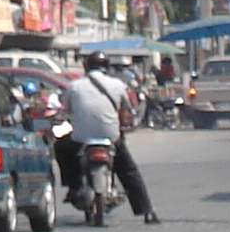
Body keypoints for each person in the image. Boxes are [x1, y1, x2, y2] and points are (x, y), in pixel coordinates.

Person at [53, 65, 159, 221]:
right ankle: (147, 211)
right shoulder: (117, 84)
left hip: (81, 138)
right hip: (110, 137)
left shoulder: (74, 86)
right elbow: (128, 108)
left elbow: (67, 110)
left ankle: (73, 185)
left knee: (60, 146)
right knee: (128, 170)